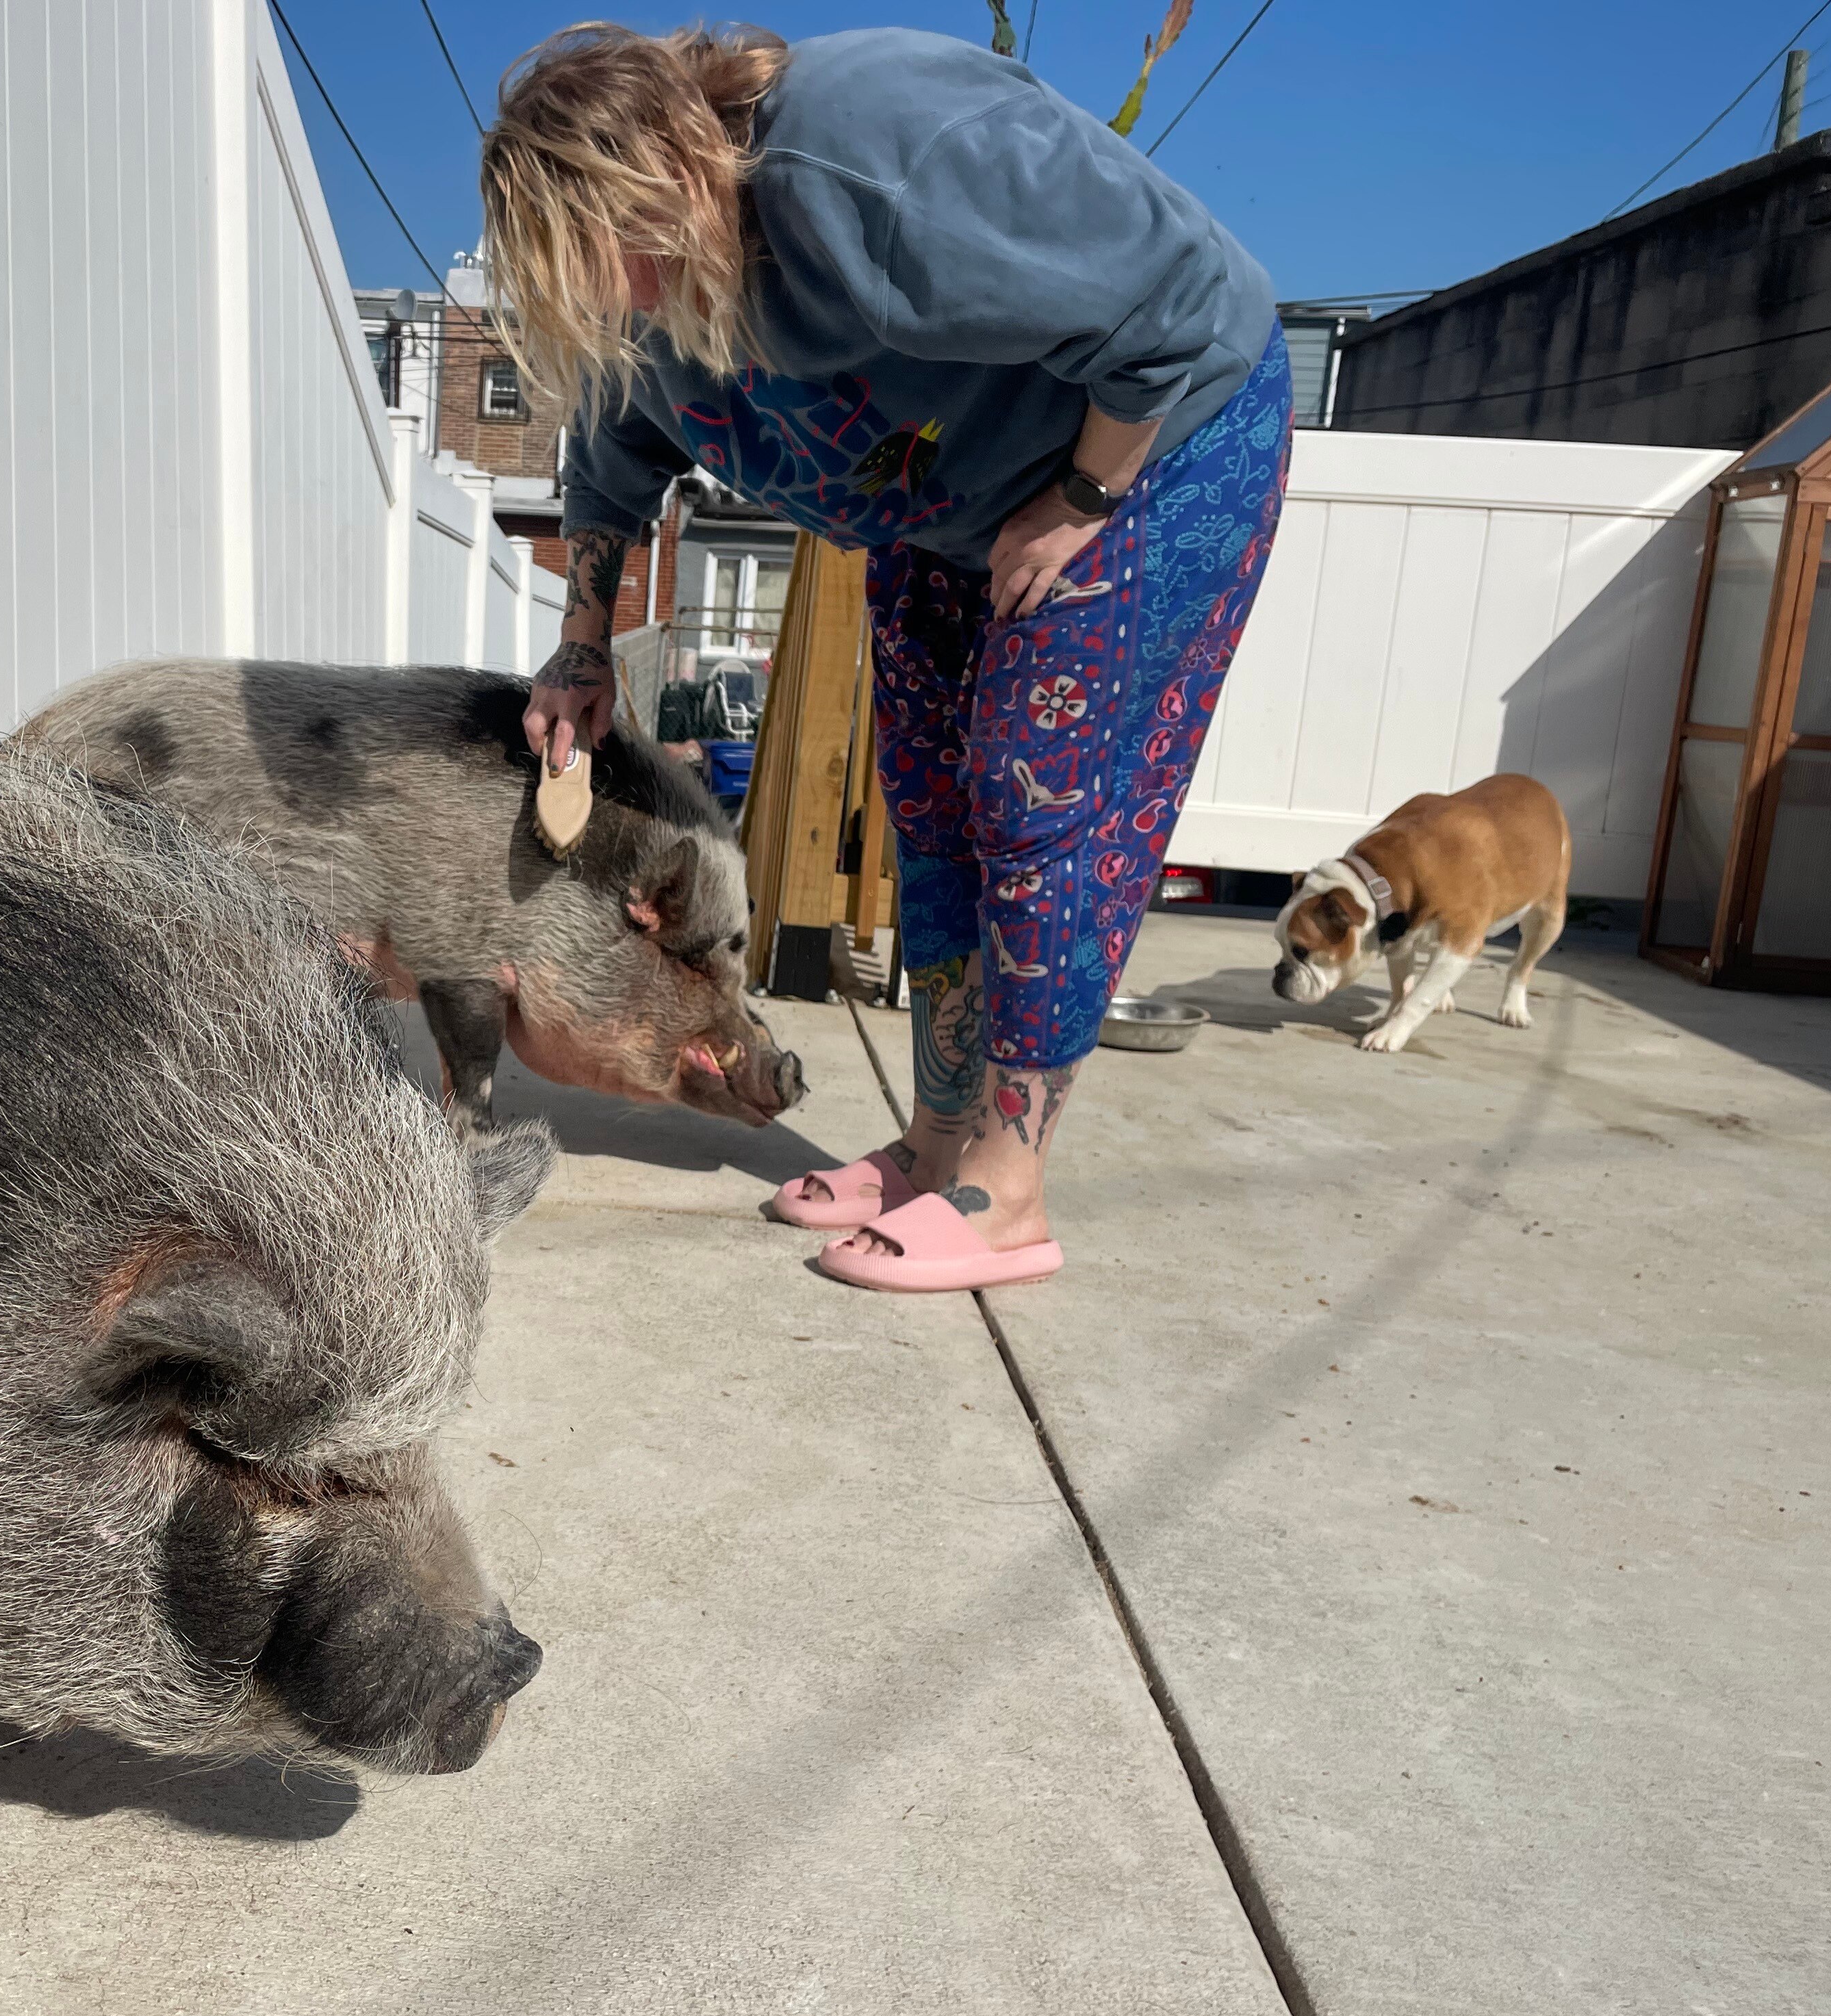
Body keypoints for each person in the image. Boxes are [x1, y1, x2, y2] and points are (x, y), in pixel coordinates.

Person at [479, 21, 1292, 1294]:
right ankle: (932, 1149)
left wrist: (1082, 495)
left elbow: (1173, 302)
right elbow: (614, 448)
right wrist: (581, 646)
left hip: (1158, 442)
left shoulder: (875, 158)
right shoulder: (638, 294)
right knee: (927, 807)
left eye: (620, 261)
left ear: (671, 172)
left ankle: (1007, 1193)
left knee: (1037, 796)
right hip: (947, 511)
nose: (622, 305)